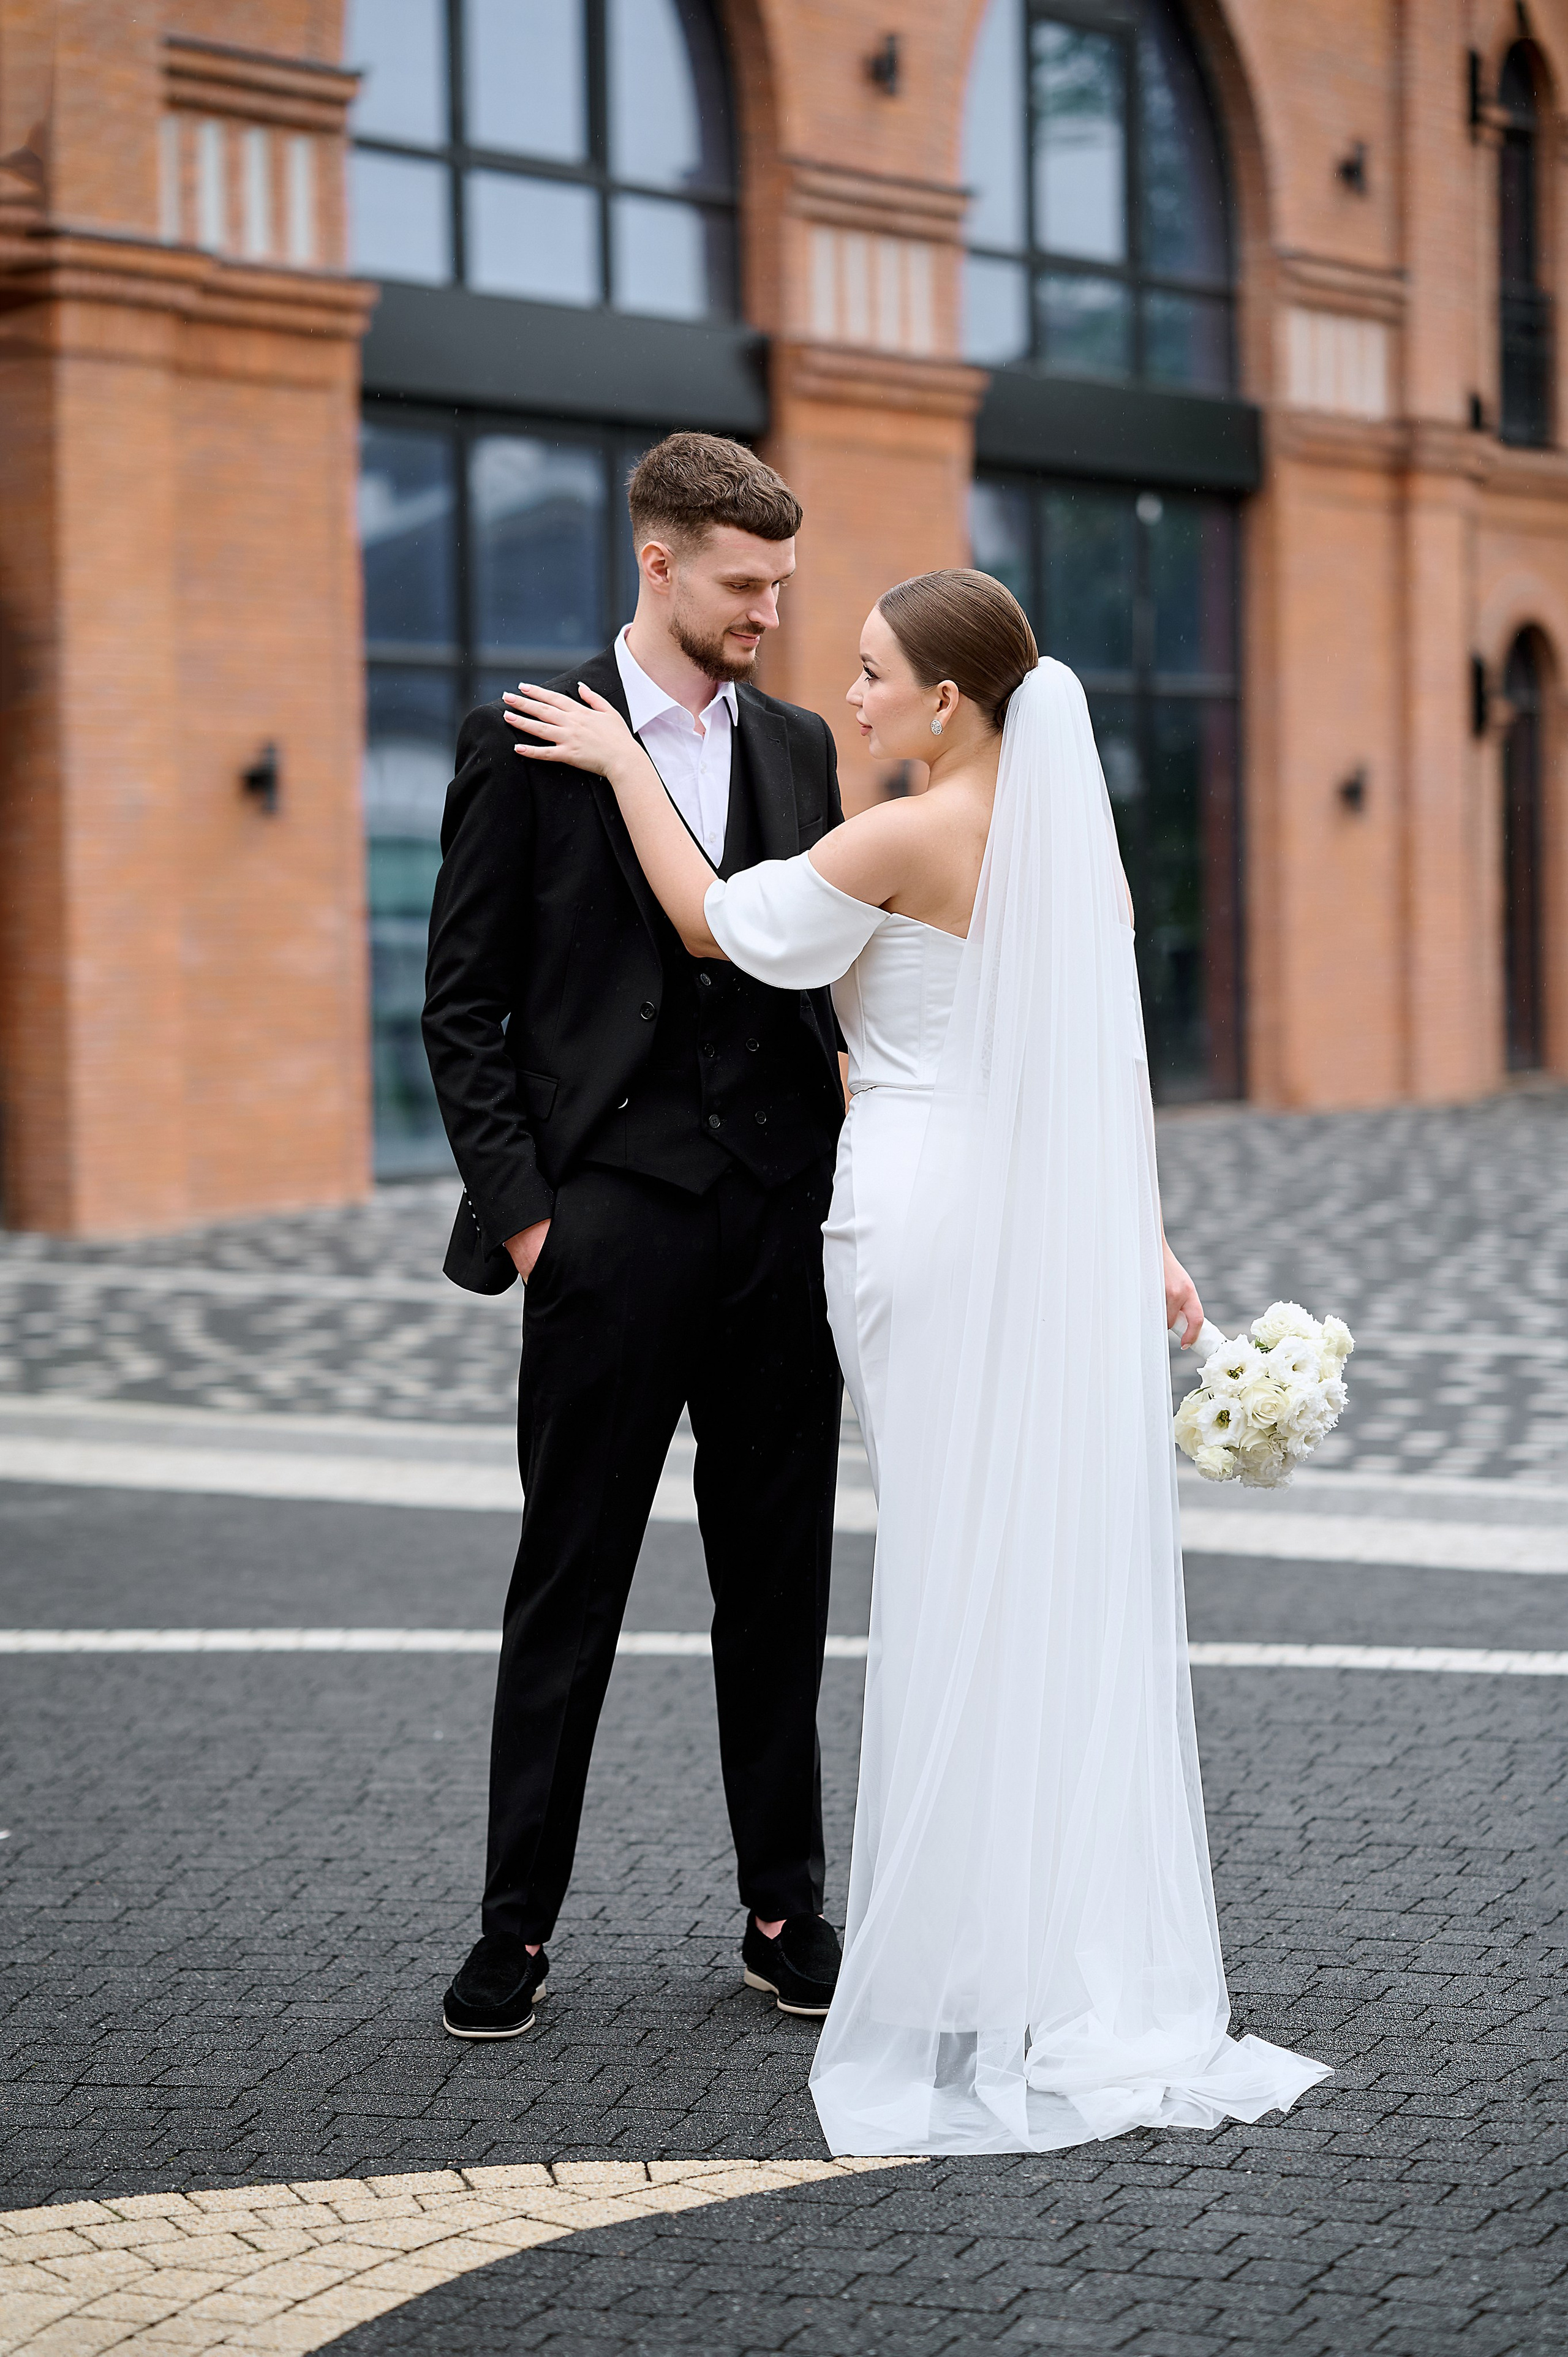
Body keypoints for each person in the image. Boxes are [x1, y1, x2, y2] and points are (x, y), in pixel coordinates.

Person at [504, 567, 1332, 2154]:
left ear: (950, 700)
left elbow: (717, 925)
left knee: (957, 1564)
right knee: (1026, 1567)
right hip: (1038, 1222)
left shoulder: (909, 830)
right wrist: (1146, 1245)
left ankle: (970, 1942)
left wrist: (620, 764)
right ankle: (1023, 1933)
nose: (854, 697)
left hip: (922, 1221)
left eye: (876, 673)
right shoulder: (1070, 847)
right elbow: (1097, 1078)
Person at [422, 434, 850, 2041]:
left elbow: (805, 968)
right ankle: (514, 1932)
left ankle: (785, 1911)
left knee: (780, 1589)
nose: (770, 614)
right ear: (660, 563)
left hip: (776, 1234)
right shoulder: (524, 741)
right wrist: (537, 1225)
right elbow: (462, 1008)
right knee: (570, 1587)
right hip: (605, 1234)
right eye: (746, 586)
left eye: (784, 586)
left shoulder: (799, 746)